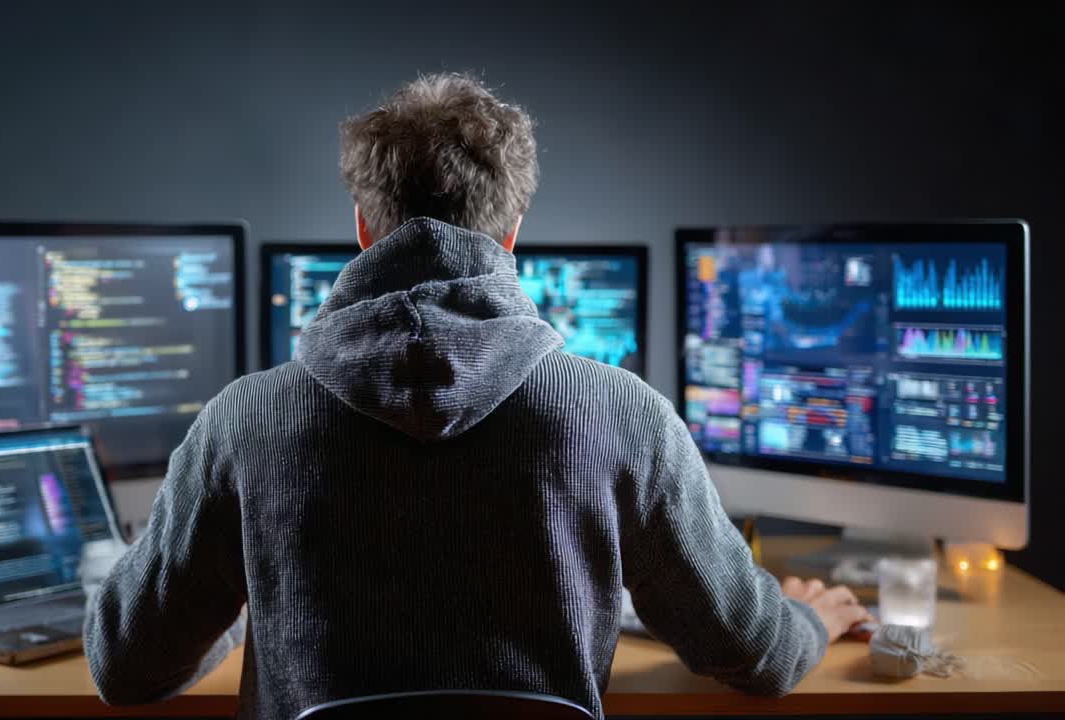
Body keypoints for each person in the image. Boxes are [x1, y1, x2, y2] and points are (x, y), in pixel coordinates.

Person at [83, 72, 871, 720]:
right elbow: (755, 654)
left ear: (362, 226)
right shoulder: (628, 418)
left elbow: (125, 669)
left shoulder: (243, 423)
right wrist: (811, 618)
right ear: (513, 231)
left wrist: (243, 597)